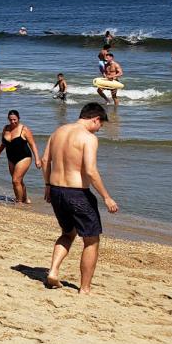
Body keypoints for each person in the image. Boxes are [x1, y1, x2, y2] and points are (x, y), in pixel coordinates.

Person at [43, 103, 119, 293]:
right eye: (100, 125)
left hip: (56, 190)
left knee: (68, 233)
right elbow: (91, 171)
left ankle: (53, 271)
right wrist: (107, 197)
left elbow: (45, 161)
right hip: (77, 193)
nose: (99, 129)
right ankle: (85, 288)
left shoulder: (58, 131)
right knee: (91, 240)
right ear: (95, 119)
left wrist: (47, 186)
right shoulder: (88, 138)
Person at [0, 109, 41, 205]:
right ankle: (25, 198)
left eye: (15, 119)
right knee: (18, 181)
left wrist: (37, 159)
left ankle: (19, 202)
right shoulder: (6, 128)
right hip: (11, 158)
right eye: (11, 120)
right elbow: (3, 143)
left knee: (15, 180)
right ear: (8, 119)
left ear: (19, 118)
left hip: (24, 157)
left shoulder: (24, 129)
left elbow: (33, 144)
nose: (13, 122)